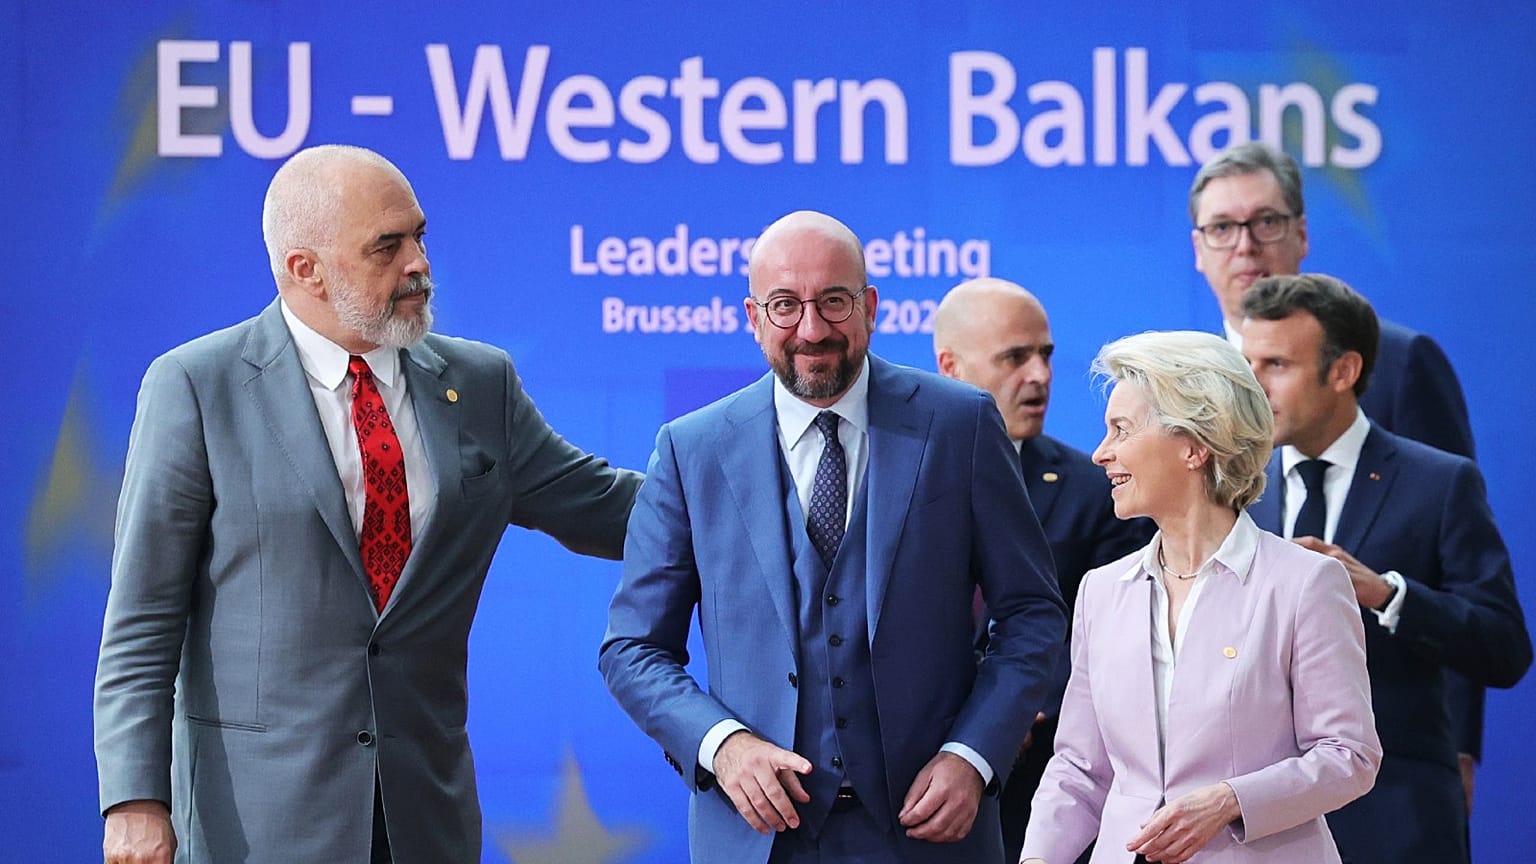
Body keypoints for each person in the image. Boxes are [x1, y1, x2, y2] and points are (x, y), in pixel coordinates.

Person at [93, 145, 643, 864]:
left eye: (419, 236)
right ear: (305, 269)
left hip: (424, 818)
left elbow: (606, 506)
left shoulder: (480, 384)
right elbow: (143, 619)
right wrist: (135, 799)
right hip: (256, 825)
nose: (418, 263)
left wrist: (761, 488)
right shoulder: (197, 388)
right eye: (387, 246)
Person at [600, 210, 1067, 864]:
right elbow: (632, 648)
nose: (812, 329)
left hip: (932, 838)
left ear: (871, 306)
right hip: (756, 838)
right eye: (786, 305)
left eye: (834, 302)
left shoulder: (960, 425)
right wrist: (722, 746)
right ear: (753, 317)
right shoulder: (692, 449)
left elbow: (1031, 613)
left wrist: (974, 755)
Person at [1187, 140, 1487, 808]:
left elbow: (1453, 563)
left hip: (1390, 755)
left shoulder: (1399, 361)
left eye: (1266, 222)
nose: (1246, 246)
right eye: (1222, 228)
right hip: (1239, 772)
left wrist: (1456, 743)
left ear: (1301, 234)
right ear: (1198, 248)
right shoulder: (1188, 385)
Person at [1022, 330, 1381, 864]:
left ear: (1194, 445)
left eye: (1121, 430)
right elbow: (1080, 769)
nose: (1101, 453)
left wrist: (1231, 800)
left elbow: (1349, 755)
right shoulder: (1102, 591)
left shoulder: (1304, 584)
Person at [1239, 273, 1531, 864]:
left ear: (1343, 372)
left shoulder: (1440, 482)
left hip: (1397, 817)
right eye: (1247, 364)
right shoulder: (1242, 487)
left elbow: (1504, 647)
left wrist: (1386, 595)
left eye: (1275, 366)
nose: (1252, 387)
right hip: (1261, 821)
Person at [932, 277, 1152, 863]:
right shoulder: (894, 480)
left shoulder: (1100, 490)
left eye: (1045, 354)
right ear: (949, 366)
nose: (1039, 375)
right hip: (916, 781)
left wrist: (1021, 710)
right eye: (1014, 357)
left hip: (1052, 782)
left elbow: (1119, 633)